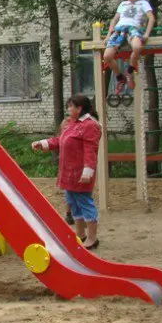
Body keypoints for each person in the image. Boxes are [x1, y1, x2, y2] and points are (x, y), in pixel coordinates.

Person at [32, 94, 102, 250]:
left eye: (71, 106)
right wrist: (43, 143)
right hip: (68, 172)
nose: (69, 109)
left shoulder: (90, 126)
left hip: (80, 173)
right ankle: (80, 235)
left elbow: (91, 150)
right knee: (73, 202)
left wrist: (88, 171)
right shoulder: (71, 123)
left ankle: (92, 238)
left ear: (80, 108)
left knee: (84, 202)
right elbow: (59, 140)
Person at [103, 0, 155, 95]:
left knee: (137, 47)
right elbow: (114, 20)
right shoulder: (123, 4)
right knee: (107, 56)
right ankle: (120, 77)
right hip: (119, 29)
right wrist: (108, 35)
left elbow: (151, 18)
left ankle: (130, 71)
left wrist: (146, 34)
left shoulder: (143, 3)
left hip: (133, 28)